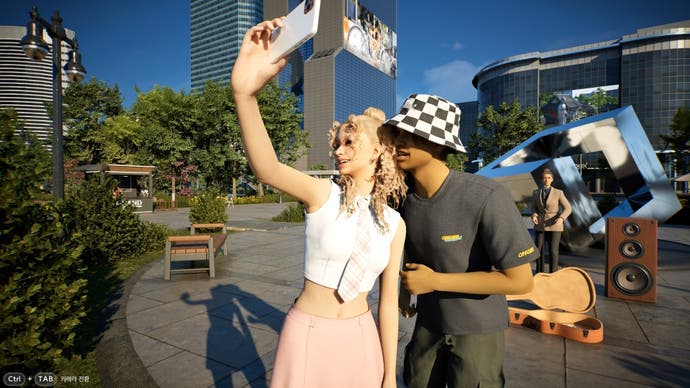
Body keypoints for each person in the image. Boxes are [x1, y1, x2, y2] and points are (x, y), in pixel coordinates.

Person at [231, 19, 407, 388]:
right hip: (309, 333)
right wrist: (244, 96)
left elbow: (388, 304)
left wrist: (390, 374)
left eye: (349, 142)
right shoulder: (322, 194)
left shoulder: (394, 223)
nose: (339, 151)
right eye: (338, 143)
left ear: (377, 151)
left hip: (361, 338)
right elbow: (268, 168)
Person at [388, 94, 537, 388]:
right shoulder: (402, 198)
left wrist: (435, 282)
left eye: (410, 133)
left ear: (437, 143)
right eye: (397, 132)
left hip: (477, 331)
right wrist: (405, 290)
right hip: (428, 325)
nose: (398, 141)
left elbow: (520, 281)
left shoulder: (484, 196)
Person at [530, 168, 572, 273]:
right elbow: (534, 207)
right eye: (544, 178)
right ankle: (539, 273)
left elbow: (568, 208)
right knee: (538, 250)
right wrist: (534, 215)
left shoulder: (559, 192)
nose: (546, 180)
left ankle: (553, 274)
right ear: (541, 180)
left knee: (553, 251)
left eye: (549, 178)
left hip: (555, 225)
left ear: (552, 179)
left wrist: (561, 218)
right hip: (540, 224)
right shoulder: (536, 193)